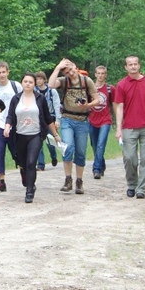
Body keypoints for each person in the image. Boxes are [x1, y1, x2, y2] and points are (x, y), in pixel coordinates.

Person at [3, 73, 59, 203]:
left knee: (31, 162)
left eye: (30, 82)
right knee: (23, 163)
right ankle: (29, 181)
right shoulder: (16, 99)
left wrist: (55, 134)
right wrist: (7, 127)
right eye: (25, 81)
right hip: (20, 135)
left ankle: (29, 191)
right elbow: (10, 115)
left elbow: (47, 118)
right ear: (22, 83)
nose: (28, 84)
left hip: (36, 135)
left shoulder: (40, 98)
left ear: (34, 84)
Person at [48, 59, 100, 195]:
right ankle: (68, 179)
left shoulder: (86, 81)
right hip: (67, 119)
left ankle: (79, 181)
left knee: (81, 152)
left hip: (82, 120)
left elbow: (97, 99)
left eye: (71, 69)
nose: (70, 73)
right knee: (68, 148)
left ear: (75, 67)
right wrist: (58, 68)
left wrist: (87, 105)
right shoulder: (64, 81)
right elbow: (51, 84)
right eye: (67, 72)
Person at [113, 55, 145, 199]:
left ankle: (141, 189)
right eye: (130, 64)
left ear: (139, 65)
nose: (133, 66)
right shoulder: (121, 85)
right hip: (129, 127)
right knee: (129, 158)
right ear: (125, 67)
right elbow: (119, 107)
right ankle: (132, 184)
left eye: (135, 64)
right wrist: (119, 129)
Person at [0, 61, 21, 192]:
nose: (2, 75)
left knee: (17, 152)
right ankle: (1, 181)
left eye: (4, 72)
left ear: (8, 72)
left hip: (16, 125)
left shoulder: (16, 86)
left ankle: (23, 171)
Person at [89, 65, 114, 180]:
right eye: (98, 73)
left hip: (105, 119)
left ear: (106, 75)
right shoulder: (89, 88)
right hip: (92, 119)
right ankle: (101, 164)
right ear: (95, 74)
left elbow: (115, 104)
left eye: (103, 73)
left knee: (101, 144)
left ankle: (96, 169)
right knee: (94, 145)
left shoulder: (110, 89)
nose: (100, 75)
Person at [34, 71, 60, 170]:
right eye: (37, 79)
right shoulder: (34, 91)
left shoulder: (52, 91)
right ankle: (41, 164)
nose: (38, 81)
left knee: (50, 142)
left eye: (40, 79)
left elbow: (57, 106)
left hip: (50, 118)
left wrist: (58, 120)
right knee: (38, 142)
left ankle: (53, 156)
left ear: (45, 80)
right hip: (38, 119)